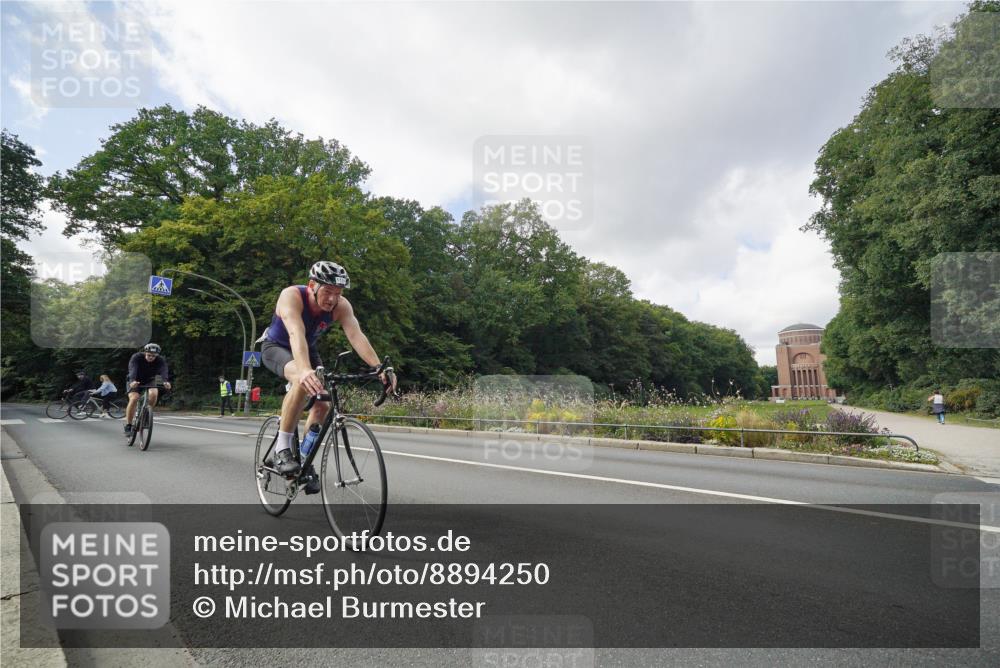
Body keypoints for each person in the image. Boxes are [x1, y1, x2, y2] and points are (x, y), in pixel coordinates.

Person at [260, 260, 396, 492]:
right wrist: (303, 370)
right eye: (327, 291)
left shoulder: (341, 306)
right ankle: (282, 449)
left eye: (338, 293)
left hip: (308, 349)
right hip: (277, 346)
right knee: (303, 382)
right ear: (312, 285)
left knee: (323, 403)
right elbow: (295, 333)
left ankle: (301, 460)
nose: (333, 299)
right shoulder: (291, 296)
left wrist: (380, 367)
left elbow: (356, 335)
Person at [124, 343, 172, 435]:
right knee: (134, 398)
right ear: (145, 352)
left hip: (150, 380)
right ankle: (128, 425)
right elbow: (132, 369)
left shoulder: (160, 360)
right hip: (135, 380)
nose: (151, 357)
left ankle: (146, 415)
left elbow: (163, 371)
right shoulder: (137, 357)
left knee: (154, 393)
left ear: (157, 355)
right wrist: (132, 381)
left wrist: (166, 382)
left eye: (153, 356)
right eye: (149, 355)